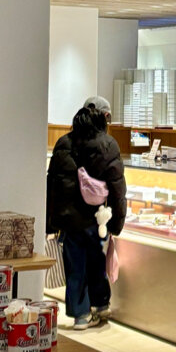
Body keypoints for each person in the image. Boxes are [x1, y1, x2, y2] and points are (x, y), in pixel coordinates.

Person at [46, 104, 126, 330]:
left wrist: (50, 222)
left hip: (69, 220)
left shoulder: (63, 143)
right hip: (98, 218)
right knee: (97, 262)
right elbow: (118, 188)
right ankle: (101, 305)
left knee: (76, 268)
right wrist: (117, 223)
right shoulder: (108, 144)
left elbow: (52, 184)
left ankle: (81, 316)